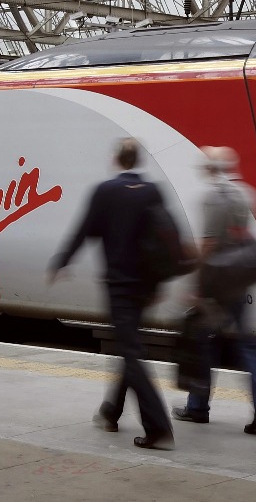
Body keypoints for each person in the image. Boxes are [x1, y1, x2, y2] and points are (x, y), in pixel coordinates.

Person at [48, 138, 174, 450]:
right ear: (138, 160)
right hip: (145, 287)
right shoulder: (153, 191)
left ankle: (158, 428)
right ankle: (110, 412)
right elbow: (165, 240)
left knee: (131, 352)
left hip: (120, 286)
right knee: (128, 347)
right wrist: (159, 285)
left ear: (117, 160)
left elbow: (83, 230)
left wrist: (62, 261)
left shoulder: (105, 191)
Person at [172, 146, 256, 435]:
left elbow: (208, 245)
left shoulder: (212, 197)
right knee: (250, 347)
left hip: (216, 284)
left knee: (202, 342)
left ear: (210, 169)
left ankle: (197, 407)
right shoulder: (248, 194)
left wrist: (195, 287)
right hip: (238, 282)